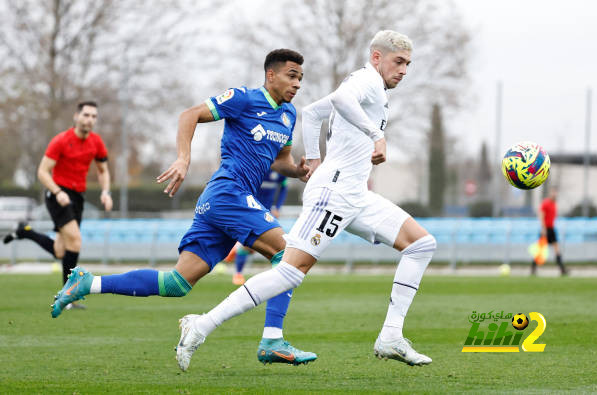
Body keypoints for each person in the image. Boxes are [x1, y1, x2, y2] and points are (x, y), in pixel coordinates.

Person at [174, 30, 436, 372]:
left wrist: (312, 159)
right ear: (376, 57)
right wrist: (377, 135)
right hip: (335, 193)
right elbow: (342, 100)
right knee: (290, 271)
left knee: (421, 245)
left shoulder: (375, 90)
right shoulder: (366, 81)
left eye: (407, 64)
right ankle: (202, 324)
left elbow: (312, 112)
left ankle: (390, 336)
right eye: (398, 62)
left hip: (355, 193)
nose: (403, 70)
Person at [49, 49, 317, 365]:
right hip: (228, 193)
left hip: (225, 203)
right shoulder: (243, 98)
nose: (297, 84)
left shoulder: (288, 115)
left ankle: (88, 283)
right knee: (288, 255)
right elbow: (189, 115)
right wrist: (183, 158)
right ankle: (272, 339)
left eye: (300, 77)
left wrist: (297, 171)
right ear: (271, 75)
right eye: (291, 75)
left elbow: (280, 160)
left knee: (176, 283)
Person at [3, 101, 113, 310]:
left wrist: (106, 192)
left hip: (77, 197)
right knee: (76, 240)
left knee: (61, 251)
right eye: (86, 115)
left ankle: (25, 232)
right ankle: (68, 296)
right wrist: (58, 192)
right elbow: (42, 172)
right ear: (76, 116)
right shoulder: (61, 140)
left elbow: (102, 170)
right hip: (57, 194)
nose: (90, 120)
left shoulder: (96, 142)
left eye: (94, 116)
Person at [231, 169, 288, 286]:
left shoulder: (280, 170)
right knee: (252, 245)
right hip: (253, 210)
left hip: (268, 212)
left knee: (270, 244)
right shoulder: (258, 168)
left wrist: (277, 207)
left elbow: (284, 187)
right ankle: (238, 273)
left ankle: (237, 251)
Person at [531, 187, 568, 276]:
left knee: (557, 249)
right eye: (553, 192)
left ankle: (562, 269)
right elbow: (541, 216)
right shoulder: (546, 203)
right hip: (545, 229)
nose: (554, 194)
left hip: (551, 229)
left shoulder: (554, 204)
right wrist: (543, 228)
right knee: (540, 250)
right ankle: (533, 268)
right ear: (550, 193)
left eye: (555, 193)